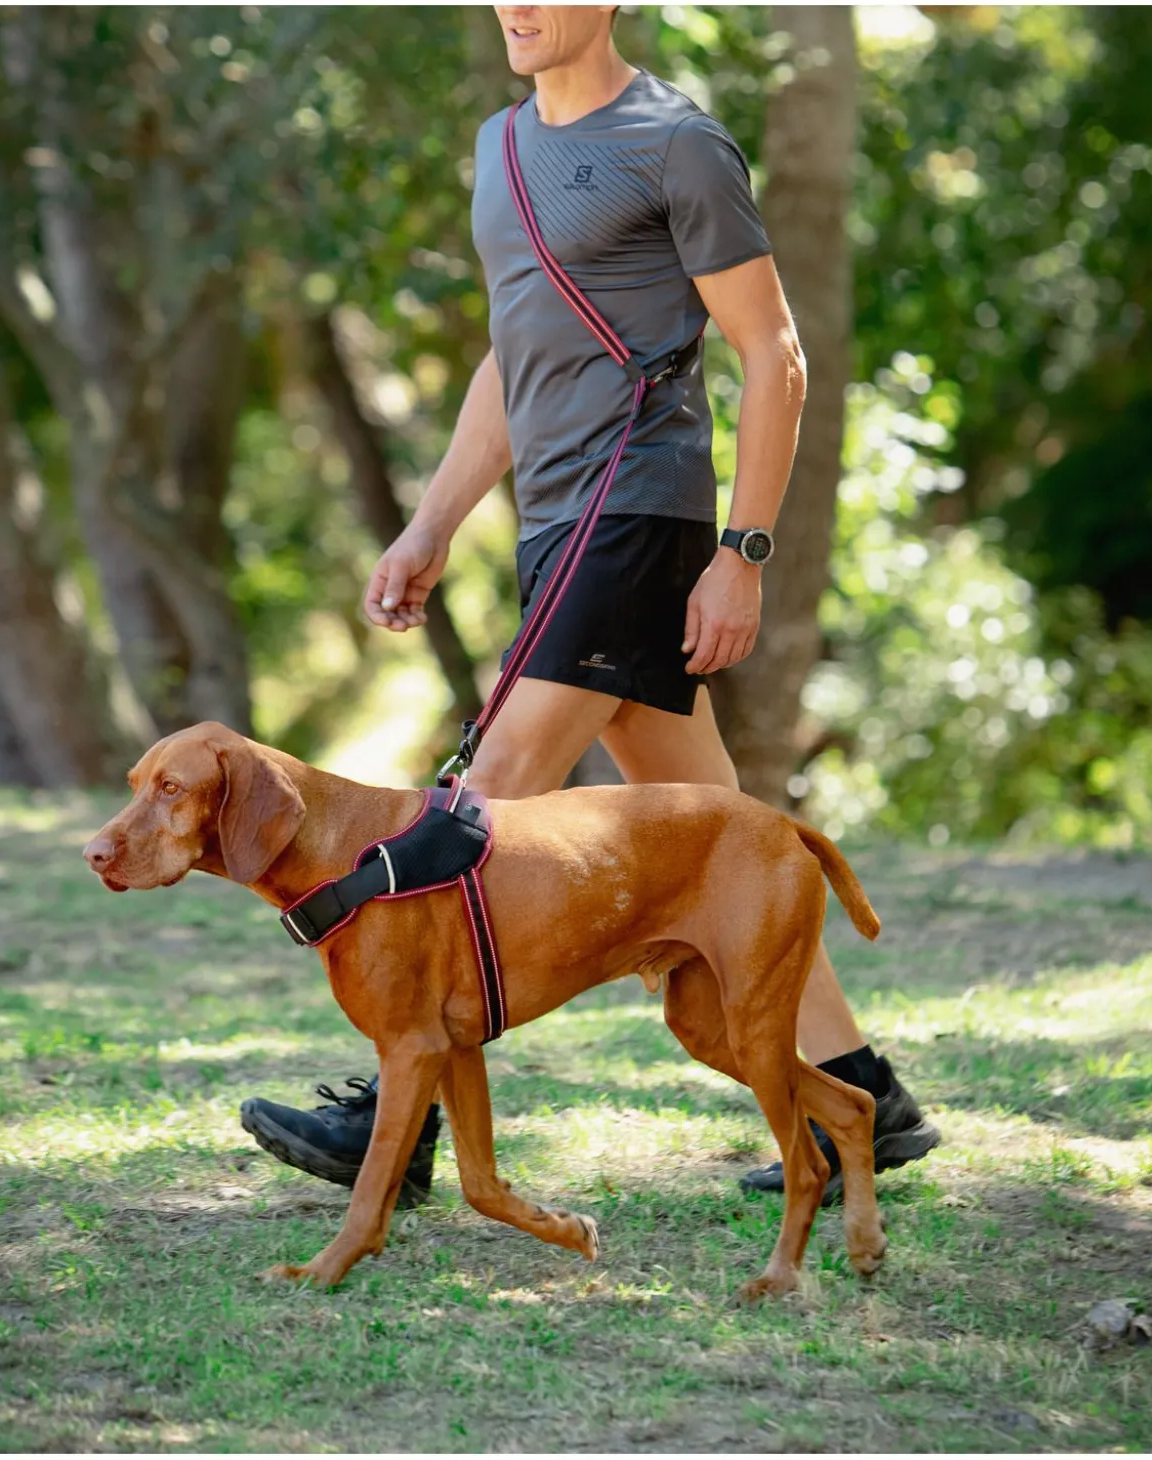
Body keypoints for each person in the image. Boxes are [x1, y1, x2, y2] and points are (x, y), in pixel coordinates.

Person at [240, 4, 940, 1206]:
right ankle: (862, 1092)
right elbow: (513, 357)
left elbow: (772, 354)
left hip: (641, 511)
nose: (516, 5)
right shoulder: (497, 151)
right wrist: (430, 522)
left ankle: (392, 1115)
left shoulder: (676, 143)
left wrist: (743, 552)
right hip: (557, 522)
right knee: (714, 827)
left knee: (492, 789)